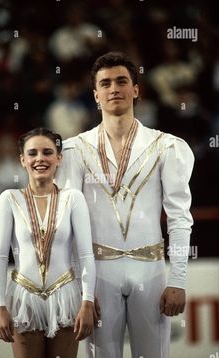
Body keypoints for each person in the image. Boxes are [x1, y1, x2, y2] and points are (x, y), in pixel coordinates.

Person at [56, 51, 195, 358]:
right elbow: (66, 224)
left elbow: (179, 218)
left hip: (151, 271)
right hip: (98, 273)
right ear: (95, 95)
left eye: (121, 81)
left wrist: (178, 280)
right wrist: (82, 287)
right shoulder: (75, 150)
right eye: (105, 83)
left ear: (136, 89)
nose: (113, 89)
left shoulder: (167, 147)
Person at [0, 127, 96, 358]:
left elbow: (86, 255)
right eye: (33, 153)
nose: (40, 158)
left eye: (47, 152)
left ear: (59, 158)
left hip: (66, 295)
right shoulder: (9, 199)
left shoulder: (72, 198)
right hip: (24, 297)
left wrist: (87, 302)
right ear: (22, 160)